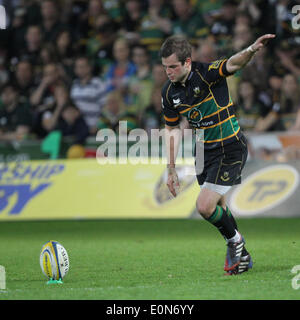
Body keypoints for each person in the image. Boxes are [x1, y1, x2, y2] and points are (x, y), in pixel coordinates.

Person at [160, 33, 275, 275]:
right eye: (165, 67)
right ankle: (242, 255)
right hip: (203, 152)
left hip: (230, 146)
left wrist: (251, 50)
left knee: (204, 206)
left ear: (187, 62)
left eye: (173, 66)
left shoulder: (207, 73)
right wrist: (170, 167)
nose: (168, 72)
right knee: (220, 206)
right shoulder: (169, 93)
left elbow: (233, 62)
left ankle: (235, 242)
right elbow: (171, 129)